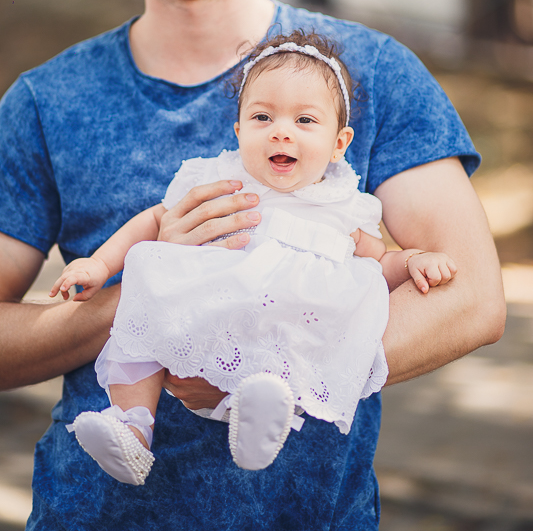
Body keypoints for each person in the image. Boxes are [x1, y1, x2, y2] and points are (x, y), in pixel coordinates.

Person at [0, 0, 504, 530]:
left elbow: (471, 298)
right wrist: (160, 293)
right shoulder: (46, 102)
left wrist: (267, 368)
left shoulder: (370, 74)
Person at [50, 31, 457, 482]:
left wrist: (413, 259)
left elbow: (377, 262)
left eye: (305, 120)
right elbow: (153, 219)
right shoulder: (221, 178)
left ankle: (253, 420)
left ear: (340, 143)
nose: (281, 130)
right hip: (204, 309)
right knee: (147, 303)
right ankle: (132, 426)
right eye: (263, 116)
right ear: (240, 131)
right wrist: (101, 264)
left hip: (277, 327)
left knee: (282, 357)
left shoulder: (343, 204)